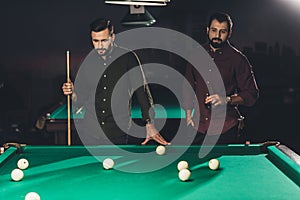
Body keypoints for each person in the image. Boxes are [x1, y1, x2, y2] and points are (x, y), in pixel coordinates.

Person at [62, 18, 169, 145]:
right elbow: (81, 98)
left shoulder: (128, 58)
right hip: (90, 131)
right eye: (95, 41)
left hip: (117, 131)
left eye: (104, 40)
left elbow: (142, 91)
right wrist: (72, 93)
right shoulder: (88, 62)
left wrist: (149, 123)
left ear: (112, 37)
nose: (99, 45)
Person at [183, 12, 259, 144]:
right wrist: (188, 113)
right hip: (198, 128)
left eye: (222, 31)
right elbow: (188, 86)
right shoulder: (195, 54)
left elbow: (252, 94)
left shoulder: (238, 59)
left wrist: (226, 99)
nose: (217, 36)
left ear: (229, 33)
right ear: (207, 30)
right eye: (214, 30)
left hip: (226, 128)